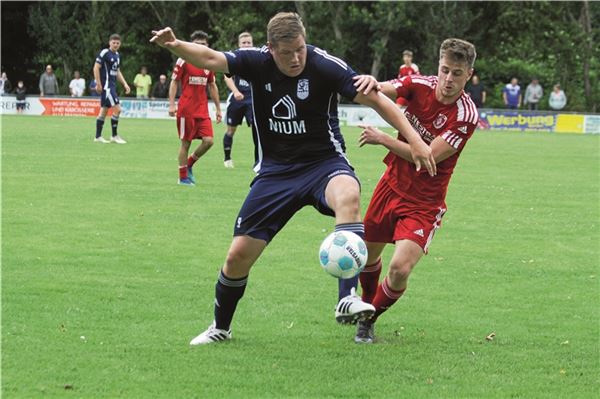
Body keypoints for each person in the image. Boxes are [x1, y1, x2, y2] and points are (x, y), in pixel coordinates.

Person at [150, 12, 436, 345]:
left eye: (300, 49)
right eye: (287, 53)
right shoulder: (255, 62)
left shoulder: (325, 65)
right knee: (237, 256)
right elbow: (212, 58)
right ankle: (220, 327)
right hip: (275, 173)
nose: (296, 58)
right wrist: (175, 44)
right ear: (270, 49)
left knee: (348, 194)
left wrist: (414, 140)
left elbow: (375, 98)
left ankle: (346, 297)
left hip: (323, 164)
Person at [351, 38, 478, 344]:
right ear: (438, 65)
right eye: (445, 70)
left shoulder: (465, 116)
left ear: (469, 74)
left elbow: (427, 156)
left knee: (399, 269)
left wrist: (384, 139)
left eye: (457, 73)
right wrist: (373, 82)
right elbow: (382, 90)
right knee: (367, 258)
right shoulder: (419, 84)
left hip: (424, 203)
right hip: (390, 186)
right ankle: (366, 301)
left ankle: (368, 319)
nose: (448, 79)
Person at [168, 30, 222, 186]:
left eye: (203, 44)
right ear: (191, 45)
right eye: (197, 44)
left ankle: (189, 163)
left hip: (202, 110)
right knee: (186, 143)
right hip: (186, 110)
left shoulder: (209, 63)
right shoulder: (183, 60)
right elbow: (174, 82)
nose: (200, 47)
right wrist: (172, 104)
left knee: (209, 141)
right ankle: (182, 177)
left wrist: (218, 109)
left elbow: (212, 85)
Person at [222, 32, 254, 168]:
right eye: (244, 43)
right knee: (231, 130)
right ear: (239, 44)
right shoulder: (235, 58)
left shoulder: (257, 58)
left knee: (258, 129)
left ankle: (260, 159)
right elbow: (227, 77)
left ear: (252, 44)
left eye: (249, 43)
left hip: (253, 99)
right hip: (237, 98)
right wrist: (235, 92)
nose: (246, 45)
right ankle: (227, 159)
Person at [93, 33, 131, 144]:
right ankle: (114, 136)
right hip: (107, 87)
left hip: (112, 86)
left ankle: (97, 137)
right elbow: (96, 67)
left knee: (104, 111)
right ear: (109, 43)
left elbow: (117, 71)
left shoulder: (117, 55)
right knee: (118, 109)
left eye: (117, 43)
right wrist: (98, 83)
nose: (115, 44)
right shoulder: (105, 53)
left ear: (120, 44)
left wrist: (125, 84)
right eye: (113, 42)